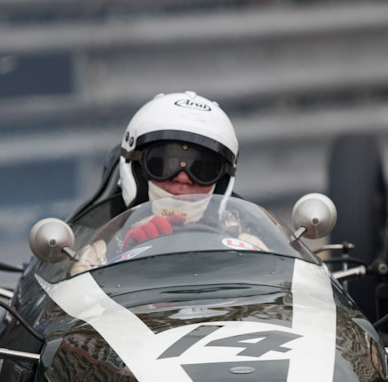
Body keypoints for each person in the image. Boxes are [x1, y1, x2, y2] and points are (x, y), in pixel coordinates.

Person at [70, 91, 268, 273]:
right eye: (164, 164)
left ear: (222, 180)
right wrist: (123, 259)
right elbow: (79, 306)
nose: (183, 178)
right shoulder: (98, 252)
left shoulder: (249, 247)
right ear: (136, 169)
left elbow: (279, 303)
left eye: (202, 168)